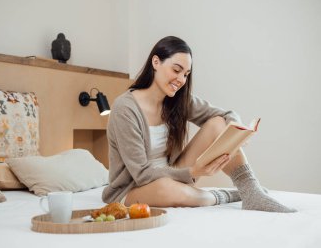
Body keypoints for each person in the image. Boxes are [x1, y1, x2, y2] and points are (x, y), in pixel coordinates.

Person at [102, 36, 296, 213]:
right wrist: (193, 172)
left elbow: (224, 115)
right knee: (169, 190)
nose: (181, 80)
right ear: (156, 62)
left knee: (218, 124)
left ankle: (250, 190)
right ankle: (231, 195)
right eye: (176, 70)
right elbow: (142, 174)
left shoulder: (177, 100)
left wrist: (239, 132)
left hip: (174, 173)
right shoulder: (125, 109)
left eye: (186, 74)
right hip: (135, 188)